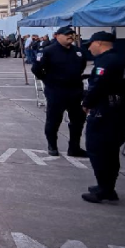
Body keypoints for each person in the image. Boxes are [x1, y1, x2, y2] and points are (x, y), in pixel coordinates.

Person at [80, 32, 125, 203]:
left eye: (91, 44)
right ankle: (107, 186)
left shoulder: (106, 62)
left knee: (98, 149)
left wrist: (86, 102)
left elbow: (98, 86)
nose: (89, 47)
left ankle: (105, 189)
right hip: (118, 109)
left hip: (105, 111)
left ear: (99, 43)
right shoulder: (119, 60)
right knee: (110, 151)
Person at [31, 26, 87, 157]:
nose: (71, 36)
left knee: (77, 121)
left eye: (72, 34)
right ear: (57, 36)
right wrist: (48, 80)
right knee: (54, 120)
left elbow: (82, 66)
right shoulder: (48, 51)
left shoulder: (78, 51)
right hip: (56, 91)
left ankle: (74, 148)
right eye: (67, 34)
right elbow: (36, 69)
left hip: (75, 91)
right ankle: (52, 146)